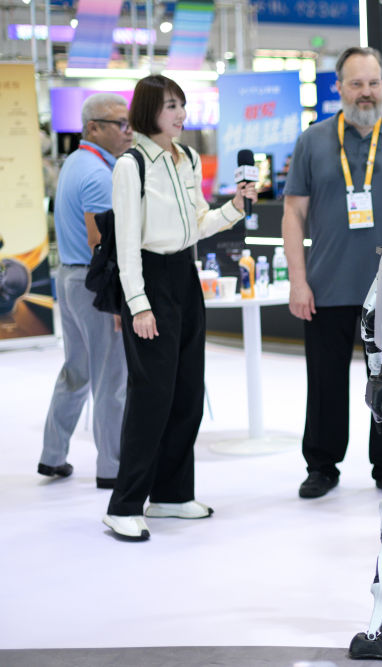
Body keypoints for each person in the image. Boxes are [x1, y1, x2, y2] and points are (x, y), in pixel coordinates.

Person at [282, 46, 382, 500]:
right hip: (327, 284)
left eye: (373, 83)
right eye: (356, 83)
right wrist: (298, 280)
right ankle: (322, 466)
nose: (366, 92)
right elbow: (293, 214)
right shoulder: (312, 140)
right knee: (325, 382)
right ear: (338, 87)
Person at [102, 75, 256, 541]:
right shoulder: (130, 165)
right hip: (149, 279)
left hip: (185, 276)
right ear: (148, 110)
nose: (181, 114)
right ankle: (124, 504)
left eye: (182, 105)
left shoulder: (186, 157)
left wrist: (235, 207)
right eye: (170, 105)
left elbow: (198, 222)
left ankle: (171, 494)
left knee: (188, 390)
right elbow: (126, 244)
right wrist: (138, 304)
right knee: (151, 395)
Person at [39, 93, 132, 489]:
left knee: (76, 371)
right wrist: (117, 299)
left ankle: (52, 455)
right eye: (120, 124)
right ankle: (112, 466)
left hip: (70, 278)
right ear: (93, 127)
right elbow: (101, 242)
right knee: (111, 378)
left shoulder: (76, 163)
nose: (128, 132)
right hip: (93, 286)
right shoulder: (98, 174)